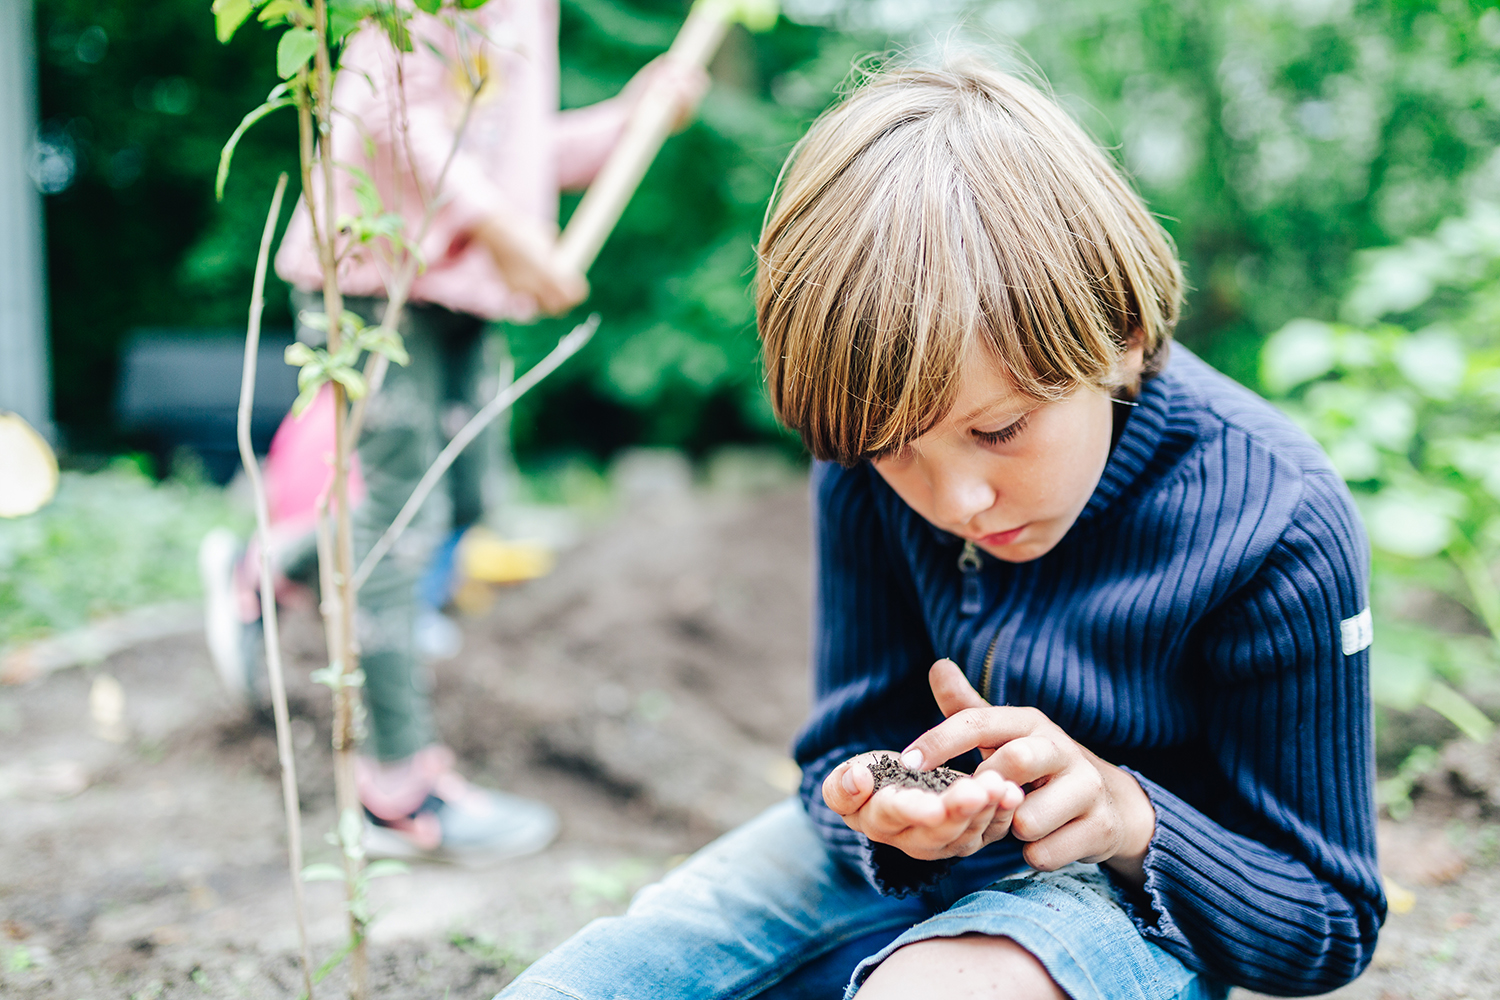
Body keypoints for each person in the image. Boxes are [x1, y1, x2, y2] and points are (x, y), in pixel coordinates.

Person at [493, 61, 1385, 999]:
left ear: (1121, 334)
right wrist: (885, 810)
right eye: (893, 450)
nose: (955, 501)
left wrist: (1128, 817)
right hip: (895, 877)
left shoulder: (1275, 522)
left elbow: (1327, 916)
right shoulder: (863, 453)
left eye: (1000, 430)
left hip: (1127, 903)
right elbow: (845, 751)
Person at [199, 1, 704, 864]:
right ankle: (396, 795)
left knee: (469, 497)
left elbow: (508, 149)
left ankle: (270, 565)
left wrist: (629, 119)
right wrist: (505, 233)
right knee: (401, 525)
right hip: (372, 274)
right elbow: (392, 113)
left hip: (460, 293)